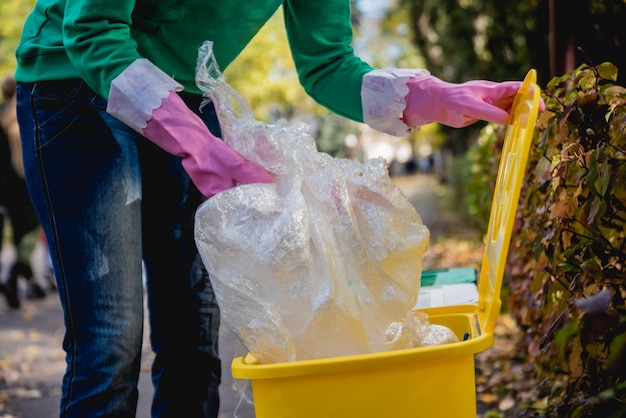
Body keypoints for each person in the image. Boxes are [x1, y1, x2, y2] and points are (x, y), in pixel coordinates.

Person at [13, 1, 537, 417]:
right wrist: (198, 145)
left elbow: (328, 62)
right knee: (110, 342)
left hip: (182, 96)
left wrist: (435, 97)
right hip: (75, 86)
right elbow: (93, 28)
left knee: (194, 342)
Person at [0, 74, 46, 309]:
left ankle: (27, 283)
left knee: (20, 233)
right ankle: (14, 274)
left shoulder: (2, 114)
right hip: (27, 181)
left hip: (7, 187)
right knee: (28, 234)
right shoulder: (25, 111)